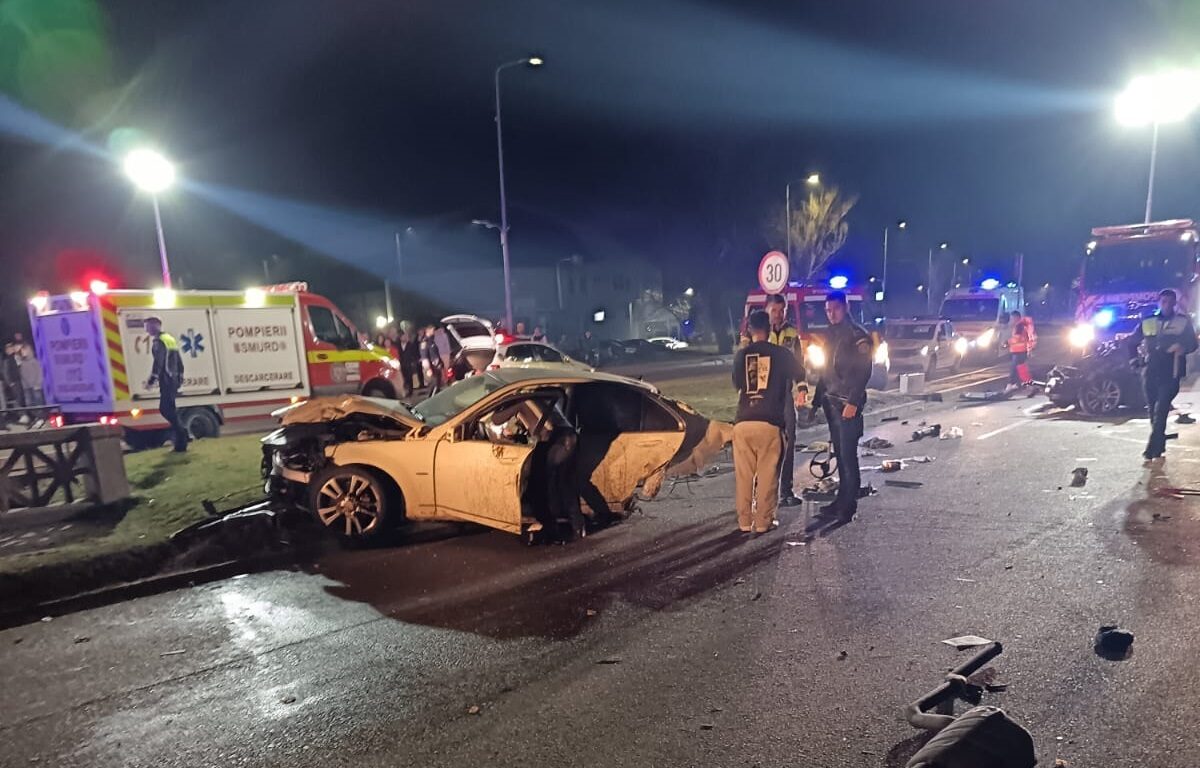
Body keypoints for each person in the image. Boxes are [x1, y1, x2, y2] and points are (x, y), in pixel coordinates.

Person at [732, 310, 806, 534]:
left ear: (750, 330)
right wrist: (801, 390)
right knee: (767, 473)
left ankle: (744, 521)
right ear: (769, 328)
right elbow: (800, 373)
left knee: (744, 476)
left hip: (743, 421)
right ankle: (763, 521)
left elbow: (737, 384)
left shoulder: (741, 355)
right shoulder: (781, 354)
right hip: (769, 421)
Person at [813, 291, 873, 520]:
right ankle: (841, 500)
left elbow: (864, 371)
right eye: (828, 310)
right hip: (831, 400)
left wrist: (853, 402)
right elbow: (825, 370)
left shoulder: (857, 336)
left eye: (835, 309)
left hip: (847, 403)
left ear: (845, 308)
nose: (831, 314)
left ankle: (848, 506)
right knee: (839, 454)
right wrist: (816, 400)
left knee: (848, 457)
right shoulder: (830, 334)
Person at [1128, 289, 1198, 461]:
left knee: (1161, 409)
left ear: (1174, 303)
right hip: (1151, 370)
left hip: (1171, 371)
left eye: (1170, 302)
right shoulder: (1148, 321)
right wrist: (1134, 361)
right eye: (1163, 302)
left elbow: (1193, 343)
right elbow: (1132, 342)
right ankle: (1159, 443)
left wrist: (1181, 347)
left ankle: (1151, 449)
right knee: (1153, 410)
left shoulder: (1182, 322)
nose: (1166, 305)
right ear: (1159, 303)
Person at [760, 293, 802, 506]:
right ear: (766, 310)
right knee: (765, 444)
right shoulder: (758, 332)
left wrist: (801, 388)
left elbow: (799, 363)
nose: (777, 314)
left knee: (789, 440)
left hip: (785, 395)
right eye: (773, 310)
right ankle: (763, 492)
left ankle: (786, 491)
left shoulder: (792, 333)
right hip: (764, 396)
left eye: (781, 310)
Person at [144, 316, 188, 452]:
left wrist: (152, 380)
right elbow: (179, 361)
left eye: (148, 326)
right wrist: (180, 376)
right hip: (172, 379)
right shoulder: (169, 339)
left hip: (167, 379)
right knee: (170, 409)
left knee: (165, 409)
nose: (147, 330)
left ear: (156, 326)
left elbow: (159, 362)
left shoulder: (159, 341)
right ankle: (180, 442)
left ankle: (182, 434)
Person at [1004, 311, 1034, 394]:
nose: (1011, 320)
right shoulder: (1022, 325)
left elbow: (1017, 338)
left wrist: (1007, 342)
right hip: (1022, 351)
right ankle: (1030, 386)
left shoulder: (1019, 326)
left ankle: (1010, 385)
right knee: (1021, 370)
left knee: (1014, 369)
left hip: (1019, 351)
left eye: (1012, 318)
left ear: (1016, 318)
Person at [420, 324, 445, 392]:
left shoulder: (432, 340)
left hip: (436, 365)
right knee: (434, 384)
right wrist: (428, 368)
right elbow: (424, 356)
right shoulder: (424, 342)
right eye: (432, 330)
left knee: (438, 383)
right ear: (428, 330)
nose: (434, 331)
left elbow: (436, 353)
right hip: (431, 366)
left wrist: (441, 363)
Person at [19, 344, 44, 408]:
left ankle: (40, 413)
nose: (23, 352)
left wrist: (38, 383)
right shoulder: (22, 363)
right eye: (22, 351)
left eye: (24, 351)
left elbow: (39, 373)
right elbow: (22, 374)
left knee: (38, 401)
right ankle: (33, 413)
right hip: (27, 387)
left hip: (35, 385)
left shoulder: (34, 361)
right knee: (29, 403)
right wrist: (24, 384)